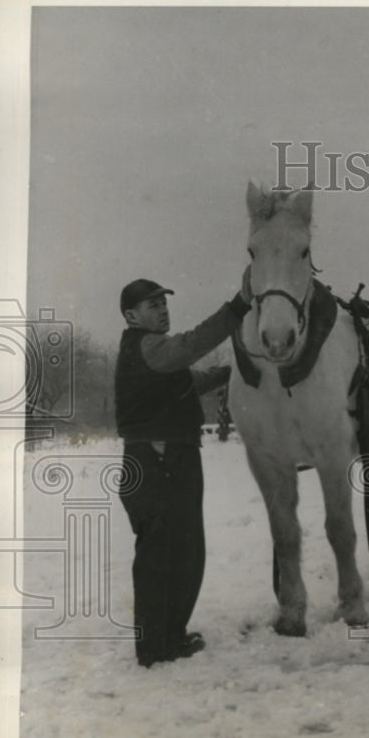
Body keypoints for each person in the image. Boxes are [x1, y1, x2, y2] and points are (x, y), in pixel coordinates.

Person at [115, 273, 251, 667]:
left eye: (164, 303)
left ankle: (168, 637)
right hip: (159, 463)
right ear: (131, 315)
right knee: (164, 555)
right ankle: (156, 647)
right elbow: (192, 346)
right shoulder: (150, 346)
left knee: (183, 552)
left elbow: (193, 379)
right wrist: (236, 309)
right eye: (152, 305)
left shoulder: (153, 353)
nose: (162, 310)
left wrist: (230, 373)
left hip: (167, 460)